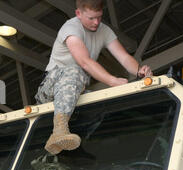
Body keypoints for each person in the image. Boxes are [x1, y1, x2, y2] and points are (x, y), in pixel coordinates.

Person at [35, 0, 152, 155]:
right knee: (76, 71)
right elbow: (84, 62)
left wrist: (139, 71)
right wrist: (112, 81)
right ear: (78, 13)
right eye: (91, 18)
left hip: (74, 90)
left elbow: (123, 57)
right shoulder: (71, 28)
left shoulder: (104, 31)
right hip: (50, 88)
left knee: (99, 104)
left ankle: (75, 148)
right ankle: (59, 130)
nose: (96, 22)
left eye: (99, 17)